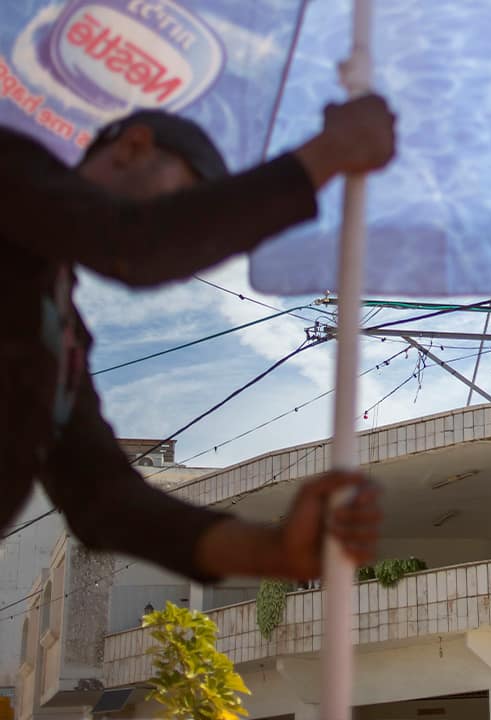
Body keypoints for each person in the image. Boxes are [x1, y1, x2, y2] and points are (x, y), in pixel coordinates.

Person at [0, 96, 395, 583]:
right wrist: (328, 154)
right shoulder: (10, 162)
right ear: (134, 146)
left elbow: (103, 499)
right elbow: (136, 241)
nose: (194, 245)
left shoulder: (60, 333)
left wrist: (273, 551)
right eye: (185, 198)